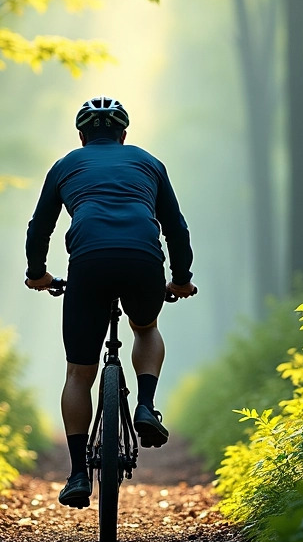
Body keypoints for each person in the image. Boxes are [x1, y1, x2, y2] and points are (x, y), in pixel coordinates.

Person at [24, 95, 197, 508]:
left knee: (78, 373)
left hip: (88, 262)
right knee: (146, 327)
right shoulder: (149, 162)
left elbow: (41, 227)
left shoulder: (66, 165)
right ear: (123, 135)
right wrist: (181, 280)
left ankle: (78, 473)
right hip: (143, 259)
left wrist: (37, 274)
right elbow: (175, 227)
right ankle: (146, 406)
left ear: (82, 136)